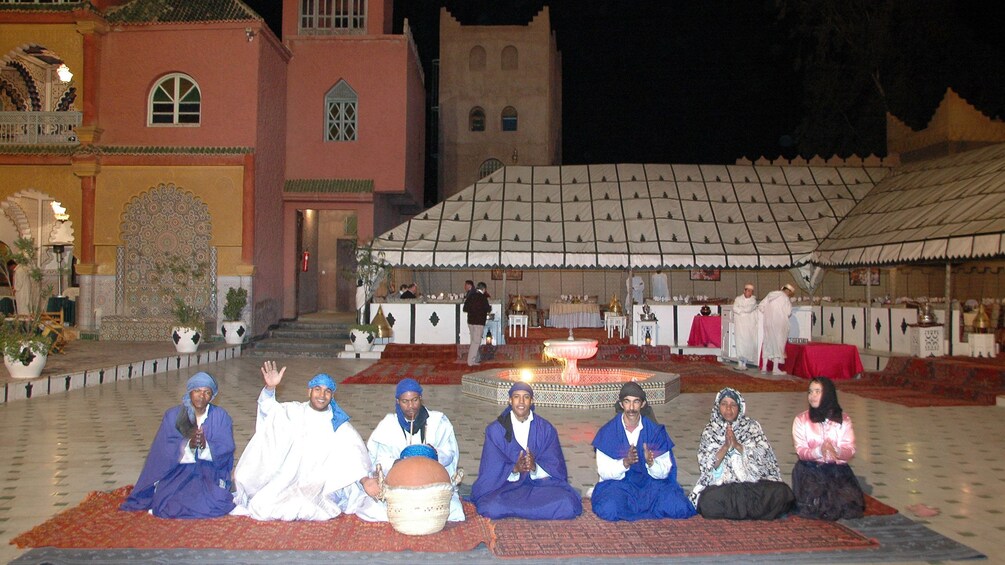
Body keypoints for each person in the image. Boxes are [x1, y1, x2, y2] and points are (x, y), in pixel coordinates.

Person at [232, 361, 382, 521]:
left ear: (332, 396)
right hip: (288, 476)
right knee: (262, 505)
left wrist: (365, 480)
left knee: (310, 506)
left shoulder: (338, 423)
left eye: (327, 391)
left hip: (321, 482)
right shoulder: (293, 411)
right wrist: (270, 388)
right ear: (309, 391)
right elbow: (269, 412)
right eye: (317, 390)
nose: (322, 396)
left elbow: (355, 455)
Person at [121, 372, 236, 518]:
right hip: (177, 471)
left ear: (212, 396)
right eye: (197, 391)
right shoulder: (174, 415)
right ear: (190, 392)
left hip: (208, 471)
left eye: (207, 392)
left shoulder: (220, 416)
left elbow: (226, 447)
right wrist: (187, 446)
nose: (202, 396)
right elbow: (162, 450)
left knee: (218, 502)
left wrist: (206, 446)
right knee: (169, 504)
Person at [470, 382, 583, 520]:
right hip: (507, 487)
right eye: (517, 397)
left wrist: (535, 467)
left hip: (539, 487)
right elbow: (490, 470)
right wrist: (514, 469)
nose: (521, 402)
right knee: (489, 507)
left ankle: (517, 509)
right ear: (510, 400)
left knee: (567, 504)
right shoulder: (495, 430)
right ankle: (534, 510)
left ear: (532, 401)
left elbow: (557, 468)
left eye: (526, 397)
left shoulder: (546, 429)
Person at [590, 382, 695, 521]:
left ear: (643, 404)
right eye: (627, 402)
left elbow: (665, 471)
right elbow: (604, 472)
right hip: (621, 486)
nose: (632, 408)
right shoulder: (608, 432)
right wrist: (625, 463)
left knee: (679, 507)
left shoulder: (655, 432)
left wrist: (651, 463)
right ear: (621, 404)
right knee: (609, 508)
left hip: (650, 485)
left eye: (636, 402)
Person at [366, 378, 464, 522]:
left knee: (455, 511)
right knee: (375, 511)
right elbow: (378, 460)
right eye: (405, 401)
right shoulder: (388, 425)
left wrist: (434, 454)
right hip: (400, 487)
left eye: (415, 400)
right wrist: (398, 463)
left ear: (421, 399)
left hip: (431, 483)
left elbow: (450, 454)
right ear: (397, 401)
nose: (411, 406)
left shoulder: (438, 421)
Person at [689, 388, 794, 520]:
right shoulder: (710, 431)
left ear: (740, 407)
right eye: (724, 404)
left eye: (733, 405)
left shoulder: (752, 427)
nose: (728, 409)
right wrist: (726, 446)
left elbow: (764, 458)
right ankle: (753, 511)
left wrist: (738, 446)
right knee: (707, 501)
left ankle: (740, 511)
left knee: (782, 493)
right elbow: (707, 466)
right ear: (717, 407)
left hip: (752, 486)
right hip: (725, 487)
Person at [791, 377, 865, 520]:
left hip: (836, 469)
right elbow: (801, 452)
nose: (812, 396)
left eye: (817, 391)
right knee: (816, 506)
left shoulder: (843, 420)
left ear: (828, 394)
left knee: (848, 506)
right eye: (810, 392)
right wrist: (819, 451)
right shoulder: (801, 420)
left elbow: (850, 450)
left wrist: (835, 451)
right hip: (810, 469)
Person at [757, 283, 795, 375]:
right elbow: (788, 312)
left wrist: (769, 314)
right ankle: (775, 369)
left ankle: (764, 367)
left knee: (767, 343)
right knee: (778, 345)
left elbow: (761, 306)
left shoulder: (770, 295)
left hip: (768, 323)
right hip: (779, 324)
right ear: (789, 292)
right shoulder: (785, 298)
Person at [462, 281, 491, 366]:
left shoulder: (471, 296)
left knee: (473, 340)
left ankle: (477, 358)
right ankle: (471, 361)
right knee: (476, 341)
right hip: (479, 322)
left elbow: (465, 308)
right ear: (484, 289)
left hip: (470, 322)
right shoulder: (483, 298)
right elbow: (487, 309)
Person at [732, 283, 758, 370]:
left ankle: (745, 364)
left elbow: (749, 309)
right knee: (739, 343)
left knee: (747, 344)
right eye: (748, 291)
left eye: (751, 291)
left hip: (749, 326)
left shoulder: (753, 300)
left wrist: (741, 310)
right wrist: (743, 311)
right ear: (744, 291)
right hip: (739, 325)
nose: (749, 293)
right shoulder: (738, 299)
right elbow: (735, 308)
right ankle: (739, 363)